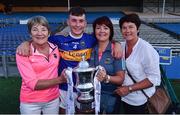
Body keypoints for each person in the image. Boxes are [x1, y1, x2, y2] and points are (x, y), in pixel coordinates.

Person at [16, 7, 122, 113]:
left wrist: (116, 43)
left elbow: (105, 38)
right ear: (68, 22)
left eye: (81, 21)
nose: (77, 24)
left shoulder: (91, 39)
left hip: (86, 88)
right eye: (74, 20)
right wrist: (26, 43)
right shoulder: (58, 39)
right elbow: (40, 38)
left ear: (85, 23)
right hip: (64, 88)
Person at [16, 16, 67, 114]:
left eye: (43, 29)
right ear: (30, 33)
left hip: (53, 99)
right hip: (30, 102)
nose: (39, 33)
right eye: (35, 30)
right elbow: (33, 84)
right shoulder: (23, 52)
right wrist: (60, 80)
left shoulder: (55, 48)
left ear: (48, 33)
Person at [114, 13, 161, 114]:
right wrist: (116, 43)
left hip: (139, 101)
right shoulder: (121, 46)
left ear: (138, 29)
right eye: (124, 28)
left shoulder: (147, 49)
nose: (127, 31)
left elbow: (154, 79)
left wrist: (129, 89)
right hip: (122, 97)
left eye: (131, 27)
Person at [89, 16, 125, 114]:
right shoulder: (90, 48)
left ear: (110, 31)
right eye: (98, 28)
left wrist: (106, 77)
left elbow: (121, 79)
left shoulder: (115, 50)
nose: (101, 31)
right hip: (92, 97)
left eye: (105, 28)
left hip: (111, 98)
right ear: (94, 30)